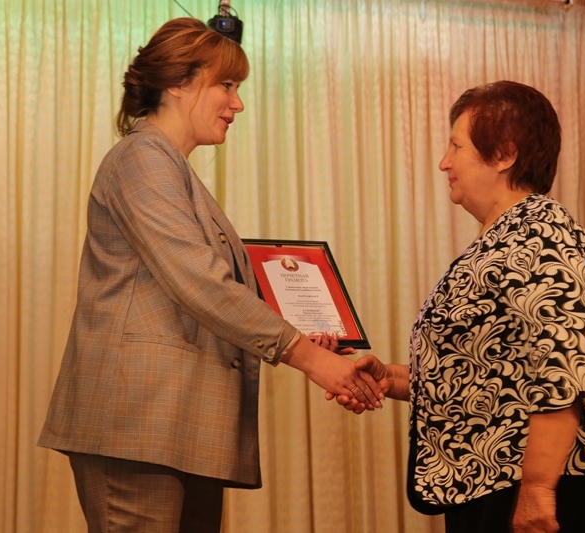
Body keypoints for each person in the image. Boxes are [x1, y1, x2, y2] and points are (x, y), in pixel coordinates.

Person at [38, 17, 383, 532]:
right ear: (179, 83)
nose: (237, 104)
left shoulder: (172, 169)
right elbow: (198, 281)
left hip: (180, 426)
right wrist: (310, 358)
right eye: (227, 84)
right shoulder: (141, 158)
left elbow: (216, 290)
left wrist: (309, 334)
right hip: (137, 424)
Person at [329, 81, 585, 533]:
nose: (444, 162)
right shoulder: (503, 238)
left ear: (504, 154)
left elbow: (563, 367)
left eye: (456, 147)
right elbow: (490, 375)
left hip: (546, 484)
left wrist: (538, 490)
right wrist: (390, 378)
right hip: (493, 481)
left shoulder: (541, 233)